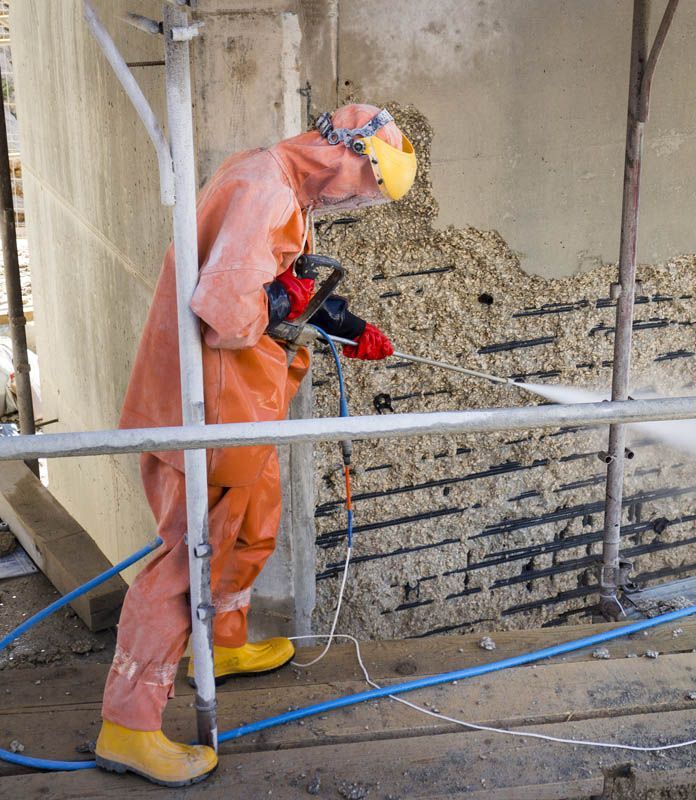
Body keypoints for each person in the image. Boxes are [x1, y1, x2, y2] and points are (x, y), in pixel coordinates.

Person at [93, 104, 417, 786]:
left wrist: (337, 320)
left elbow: (271, 283)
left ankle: (223, 644)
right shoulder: (264, 189)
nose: (360, 197)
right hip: (207, 403)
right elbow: (227, 314)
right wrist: (278, 301)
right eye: (366, 180)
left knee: (254, 519)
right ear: (343, 148)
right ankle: (129, 724)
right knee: (189, 554)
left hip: (242, 401)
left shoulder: (286, 191)